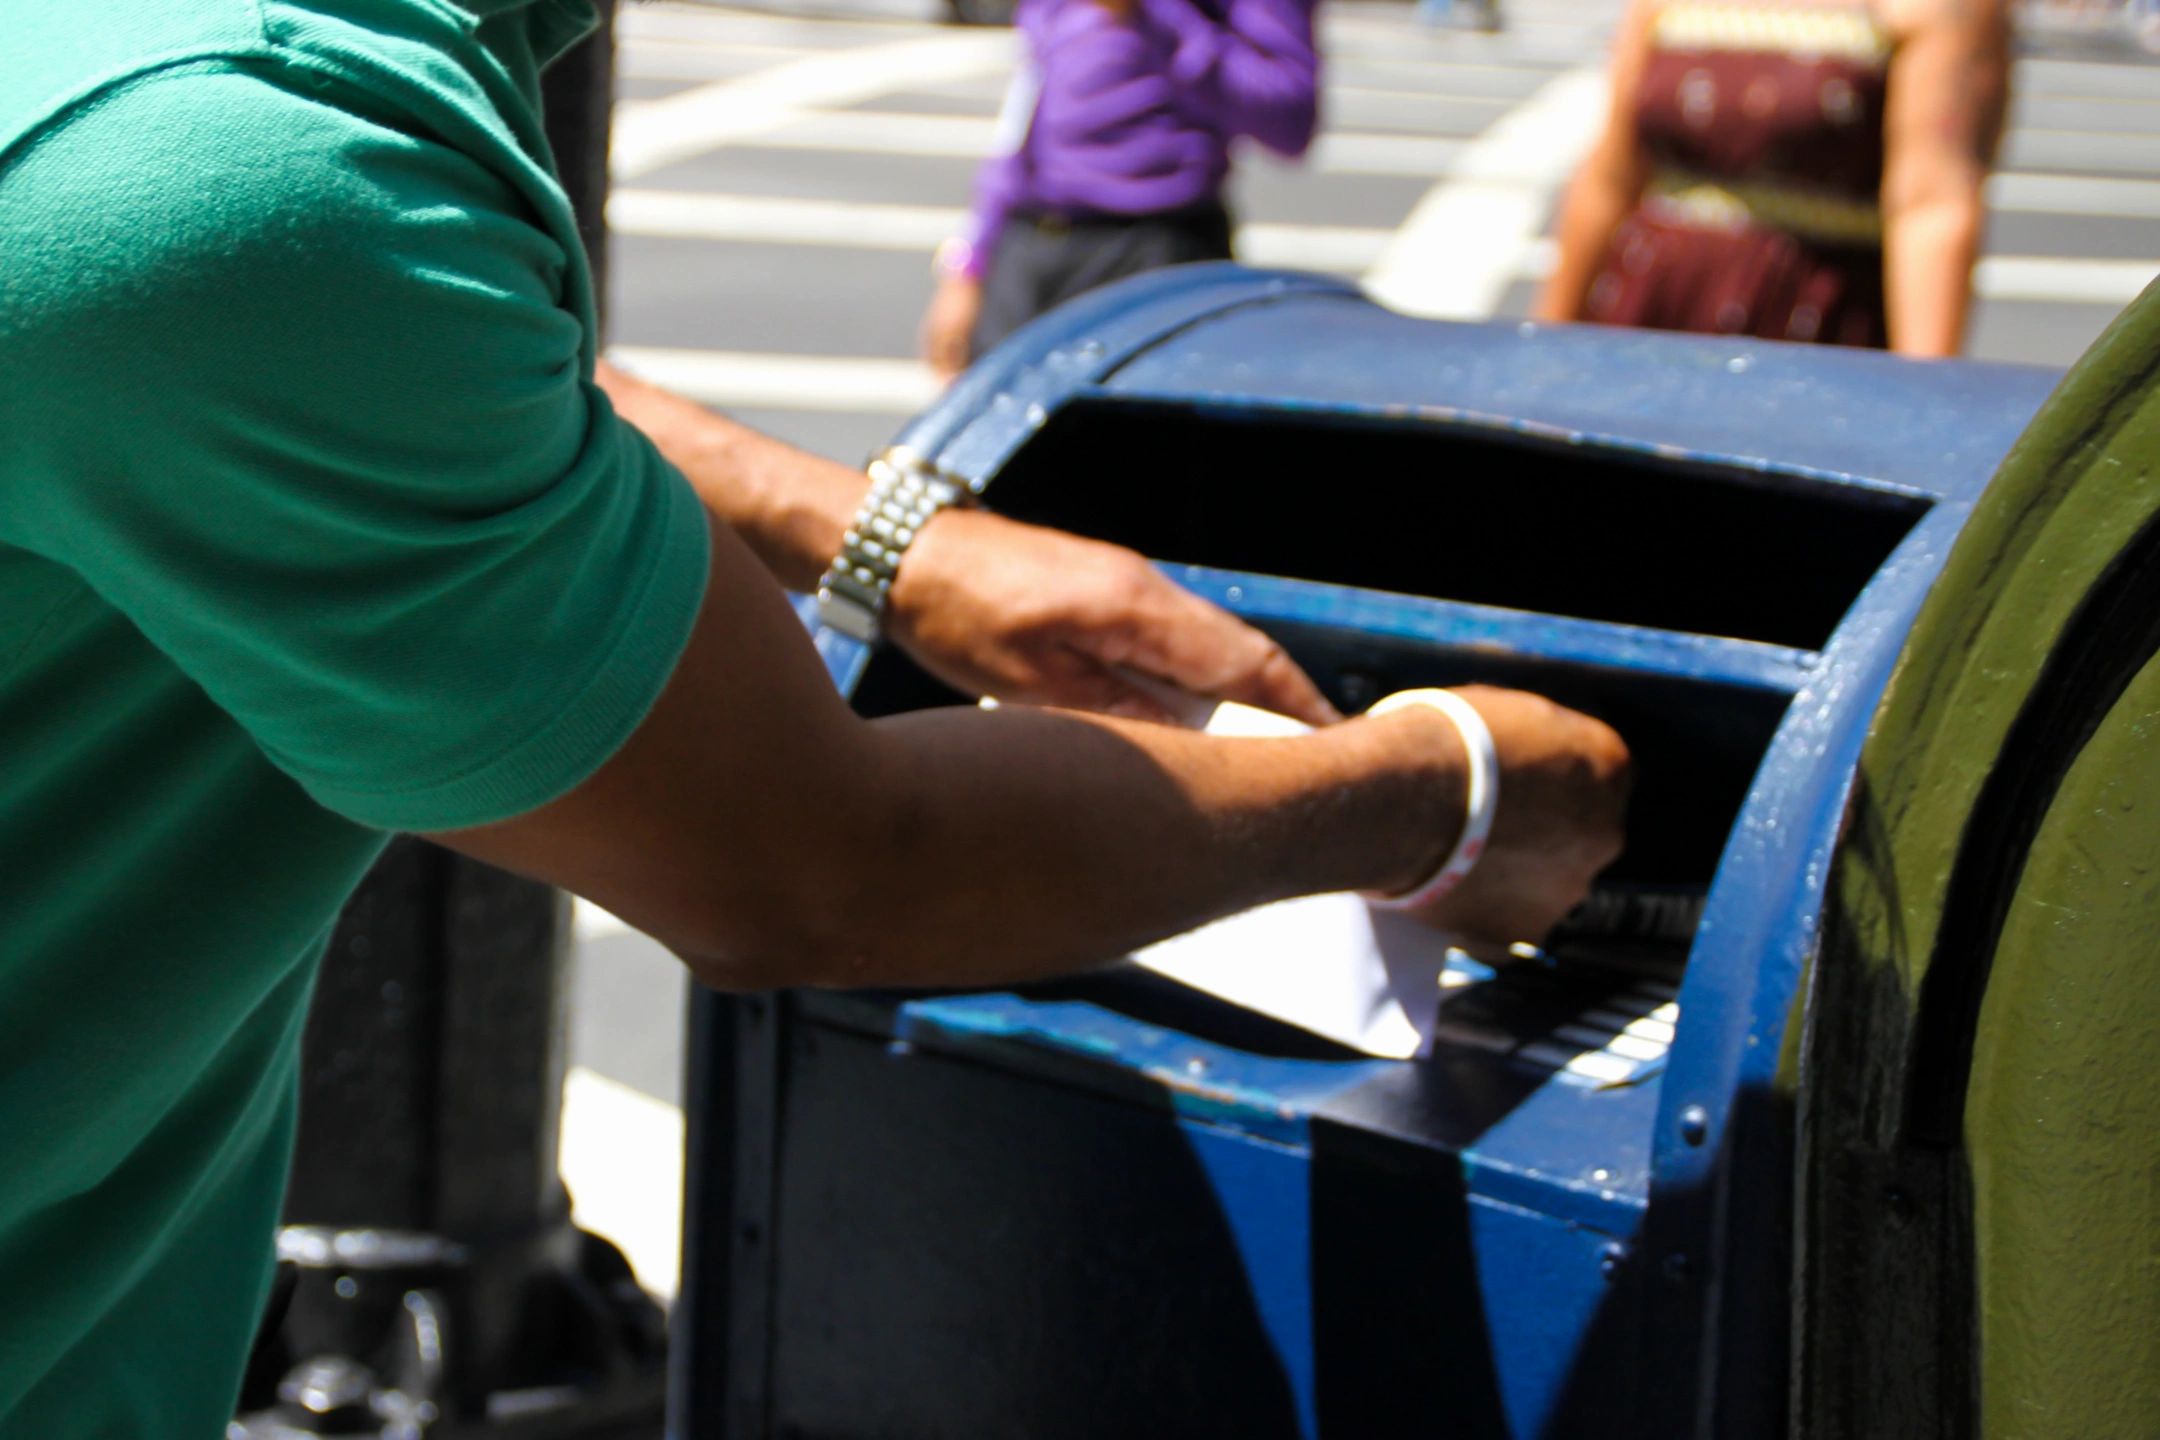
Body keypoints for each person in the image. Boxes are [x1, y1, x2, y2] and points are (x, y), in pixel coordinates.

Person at [0, 0, 1629, 1432]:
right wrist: (1441, 792)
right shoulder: (232, 165)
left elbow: (400, 340)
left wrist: (889, 545)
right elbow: (822, 865)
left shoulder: (179, 97)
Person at [1535, 0, 2010, 355]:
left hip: (1818, 323)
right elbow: (1612, 175)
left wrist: (1922, 401)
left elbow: (1930, 206)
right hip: (1650, 310)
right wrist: (1547, 342)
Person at [920, 0, 1321, 380]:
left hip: (1152, 250)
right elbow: (1028, 103)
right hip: (1028, 244)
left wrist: (1151, 16)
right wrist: (969, 265)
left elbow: (1289, 115)